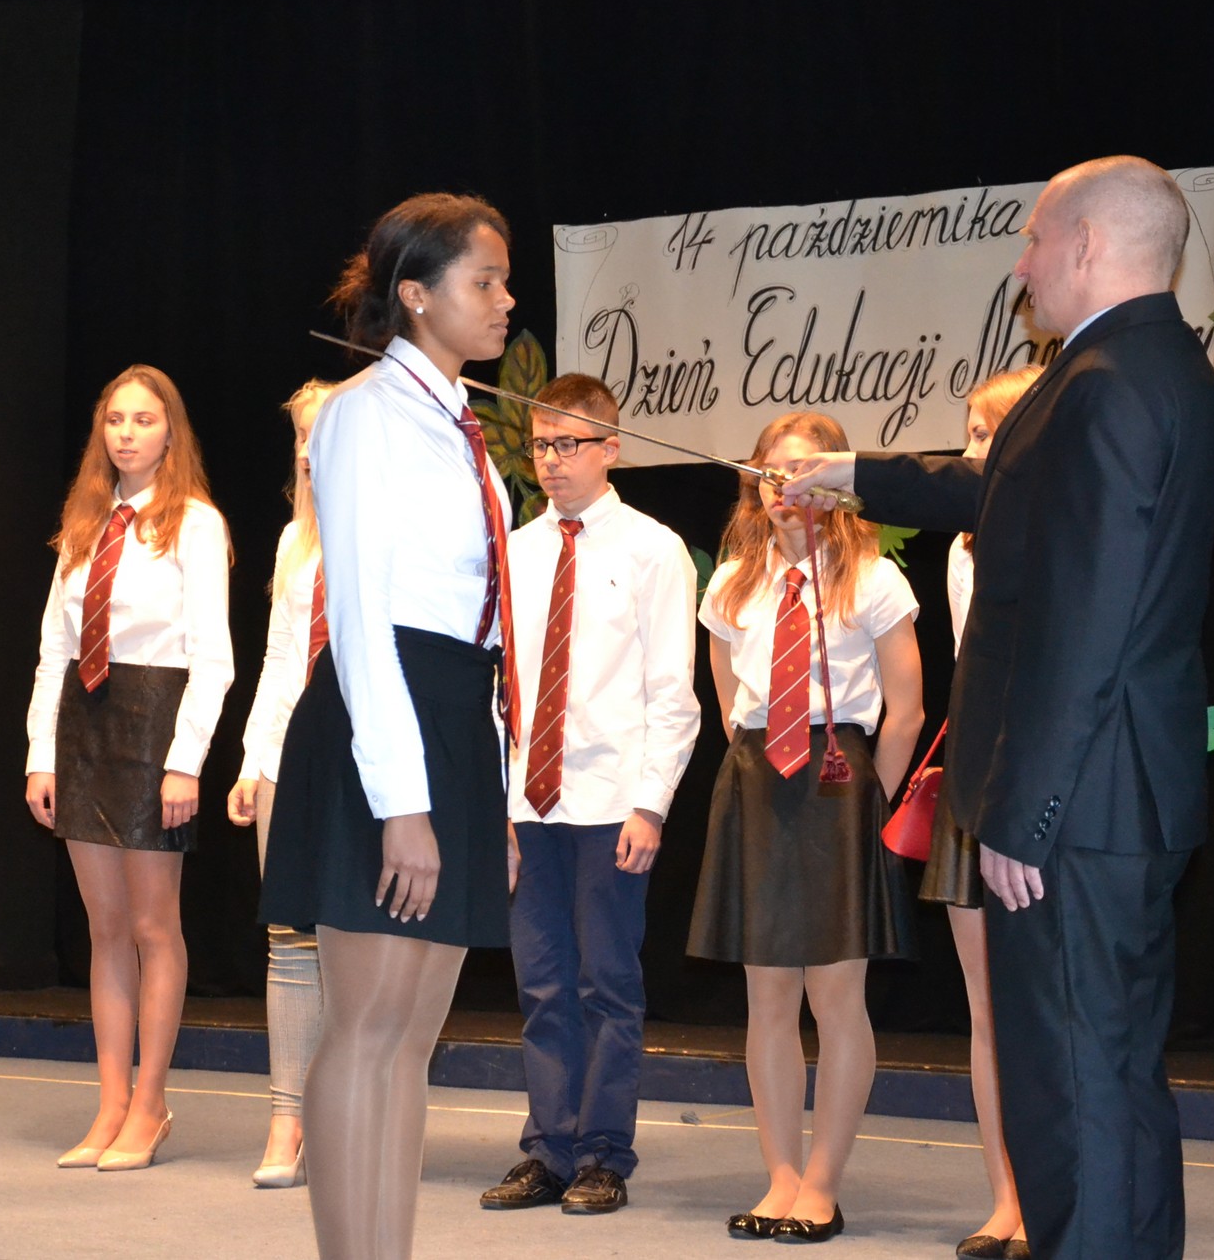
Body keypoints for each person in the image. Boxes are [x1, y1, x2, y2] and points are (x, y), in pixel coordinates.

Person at [784, 155, 1214, 1260]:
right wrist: (849, 475)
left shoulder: (1107, 380)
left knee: (1071, 1086)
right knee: (1108, 1073)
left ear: (1085, 243)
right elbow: (1006, 489)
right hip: (1116, 793)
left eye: (1033, 239)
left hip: (1078, 804)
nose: (1021, 265)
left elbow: (1088, 617)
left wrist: (1025, 813)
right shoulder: (1146, 363)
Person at [259, 192, 521, 1260]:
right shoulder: (363, 413)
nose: (504, 300)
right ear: (414, 294)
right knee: (364, 1030)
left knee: (409, 1041)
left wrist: (491, 800)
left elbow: (486, 627)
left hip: (453, 720)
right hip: (385, 724)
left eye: (504, 281)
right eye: (484, 281)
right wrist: (401, 802)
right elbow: (362, 617)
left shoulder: (460, 427)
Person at [689, 411, 924, 1244]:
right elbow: (727, 699)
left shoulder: (873, 578)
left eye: (803, 470)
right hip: (758, 778)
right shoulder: (731, 583)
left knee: (835, 995)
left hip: (839, 782)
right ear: (753, 479)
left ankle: (822, 1182)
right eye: (771, 470)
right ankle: (780, 1176)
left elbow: (906, 710)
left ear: (834, 481)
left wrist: (867, 801)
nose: (784, 486)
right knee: (768, 996)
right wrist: (758, 759)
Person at [478, 373, 700, 1218]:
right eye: (541, 444)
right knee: (541, 983)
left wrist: (651, 803)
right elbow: (498, 688)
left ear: (612, 448)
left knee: (606, 983)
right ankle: (549, 1146)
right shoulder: (516, 550)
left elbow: (672, 692)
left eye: (568, 443)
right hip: (530, 802)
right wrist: (499, 804)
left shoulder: (653, 549)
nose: (551, 459)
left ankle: (603, 1151)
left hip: (612, 800)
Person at [24, 364, 234, 1172]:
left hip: (154, 723)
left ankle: (151, 1102)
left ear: (170, 431)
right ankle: (110, 1101)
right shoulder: (85, 521)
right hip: (84, 724)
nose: (127, 433)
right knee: (105, 928)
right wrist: (41, 754)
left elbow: (213, 658)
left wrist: (185, 763)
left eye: (144, 419)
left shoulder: (196, 524)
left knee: (153, 926)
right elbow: (53, 651)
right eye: (115, 419)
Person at [928, 366, 1040, 1260]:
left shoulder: (1060, 530)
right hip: (977, 778)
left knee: (1046, 1003)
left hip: (1043, 780)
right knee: (988, 1006)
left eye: (982, 432)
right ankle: (1005, 1196)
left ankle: (1051, 1197)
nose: (968, 449)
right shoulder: (961, 548)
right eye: (966, 432)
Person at [227, 378, 339, 1188]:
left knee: (355, 948)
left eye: (320, 431)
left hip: (361, 763)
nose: (306, 449)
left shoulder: (389, 529)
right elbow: (276, 656)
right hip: (287, 761)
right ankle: (286, 1118)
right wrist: (252, 758)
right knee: (290, 942)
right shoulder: (293, 539)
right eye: (299, 434)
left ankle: (345, 1113)